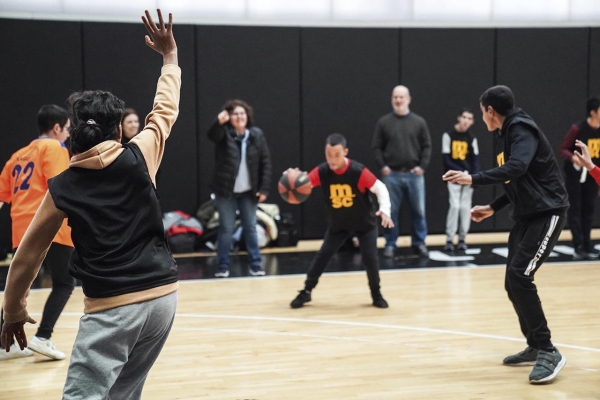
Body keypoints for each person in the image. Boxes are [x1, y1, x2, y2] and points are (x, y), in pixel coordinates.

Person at [1, 9, 180, 399]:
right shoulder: (140, 155)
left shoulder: (64, 187)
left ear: (71, 136)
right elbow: (165, 110)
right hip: (164, 299)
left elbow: (28, 256)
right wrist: (169, 59)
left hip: (112, 308)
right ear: (118, 129)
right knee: (123, 394)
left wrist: (13, 310)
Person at [443, 85, 569, 384]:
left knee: (521, 277)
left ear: (490, 110)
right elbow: (516, 178)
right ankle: (535, 345)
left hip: (548, 212)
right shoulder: (504, 135)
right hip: (527, 213)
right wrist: (493, 206)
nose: (480, 116)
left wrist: (473, 178)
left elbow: (518, 165)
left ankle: (549, 350)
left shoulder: (521, 128)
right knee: (512, 281)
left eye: (481, 110)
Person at [0, 104, 75, 361]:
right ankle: (43, 337)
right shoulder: (55, 148)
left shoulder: (18, 155)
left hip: (20, 227)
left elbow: (2, 197)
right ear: (56, 128)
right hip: (48, 226)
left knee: (18, 285)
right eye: (66, 129)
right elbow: (60, 188)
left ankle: (3, 342)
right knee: (65, 283)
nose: (67, 135)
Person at [290, 133, 393, 309]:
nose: (332, 159)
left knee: (370, 259)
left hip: (364, 224)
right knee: (322, 256)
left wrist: (385, 209)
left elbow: (380, 188)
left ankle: (376, 294)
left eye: (337, 155)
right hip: (339, 224)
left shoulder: (357, 171)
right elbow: (304, 183)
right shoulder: (323, 172)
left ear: (345, 152)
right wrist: (293, 179)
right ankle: (306, 291)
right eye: (329, 155)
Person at [207, 99, 272, 278]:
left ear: (247, 115)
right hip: (225, 191)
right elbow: (212, 135)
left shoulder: (256, 135)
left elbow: (265, 162)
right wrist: (218, 122)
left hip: (248, 192)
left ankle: (256, 265)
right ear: (229, 117)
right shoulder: (224, 133)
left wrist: (264, 189)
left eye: (242, 113)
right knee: (226, 228)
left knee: (250, 227)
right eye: (235, 114)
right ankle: (222, 266)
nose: (239, 116)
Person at [372, 85, 432, 259]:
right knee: (390, 211)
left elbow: (427, 146)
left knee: (419, 211)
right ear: (392, 99)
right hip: (392, 176)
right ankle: (390, 244)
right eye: (395, 97)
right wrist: (383, 167)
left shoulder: (419, 122)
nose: (398, 100)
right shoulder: (384, 122)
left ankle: (419, 243)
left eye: (401, 97)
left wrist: (422, 166)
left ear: (408, 99)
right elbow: (376, 147)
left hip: (414, 175)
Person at [558, 95, 600, 260]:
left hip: (593, 173)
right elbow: (563, 149)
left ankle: (588, 243)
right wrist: (574, 158)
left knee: (589, 209)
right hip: (575, 174)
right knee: (575, 209)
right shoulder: (578, 129)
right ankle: (578, 245)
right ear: (593, 112)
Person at [442, 108, 480, 251]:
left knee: (465, 208)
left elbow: (475, 160)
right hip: (453, 178)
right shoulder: (449, 135)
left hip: (468, 178)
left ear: (472, 122)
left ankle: (463, 238)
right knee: (455, 206)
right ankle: (450, 239)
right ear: (459, 118)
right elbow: (446, 159)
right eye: (464, 117)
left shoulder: (472, 138)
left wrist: (474, 177)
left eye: (469, 118)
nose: (466, 121)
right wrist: (459, 172)